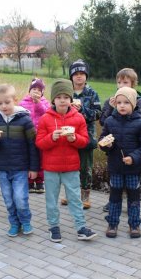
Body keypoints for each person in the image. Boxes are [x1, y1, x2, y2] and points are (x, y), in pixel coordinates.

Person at [36, 79, 97, 242]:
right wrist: (51, 137)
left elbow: (84, 141)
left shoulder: (78, 118)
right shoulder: (45, 119)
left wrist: (74, 138)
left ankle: (81, 227)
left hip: (71, 168)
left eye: (66, 97)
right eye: (59, 97)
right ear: (53, 100)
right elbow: (39, 142)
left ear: (71, 99)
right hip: (51, 168)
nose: (62, 100)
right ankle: (54, 227)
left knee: (75, 199)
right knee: (51, 200)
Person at [99, 87, 141, 238]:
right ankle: (113, 223)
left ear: (134, 104)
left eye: (126, 102)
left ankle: (134, 224)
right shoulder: (110, 121)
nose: (122, 106)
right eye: (119, 102)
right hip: (115, 167)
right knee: (114, 197)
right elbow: (102, 140)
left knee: (133, 197)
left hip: (133, 169)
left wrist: (134, 158)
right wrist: (106, 145)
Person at [0, 84, 39, 236]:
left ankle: (25, 221)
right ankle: (14, 223)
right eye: (0, 103)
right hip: (3, 168)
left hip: (21, 168)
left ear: (15, 100)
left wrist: (34, 168)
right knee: (9, 200)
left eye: (7, 102)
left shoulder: (25, 121)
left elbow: (32, 146)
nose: (3, 106)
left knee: (20, 199)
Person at [99, 68, 141, 213]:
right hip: (115, 150)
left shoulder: (139, 101)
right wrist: (112, 108)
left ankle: (132, 204)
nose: (121, 85)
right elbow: (104, 121)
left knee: (132, 182)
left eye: (125, 82)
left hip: (132, 148)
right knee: (116, 180)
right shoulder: (112, 101)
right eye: (119, 82)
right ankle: (114, 201)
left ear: (133, 84)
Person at [60, 60, 101, 209]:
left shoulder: (92, 93)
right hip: (67, 135)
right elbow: (57, 110)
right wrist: (67, 108)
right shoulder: (66, 92)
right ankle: (70, 193)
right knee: (69, 166)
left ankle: (85, 196)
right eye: (76, 74)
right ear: (71, 76)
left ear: (86, 76)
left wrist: (82, 109)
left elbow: (98, 114)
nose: (79, 77)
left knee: (85, 167)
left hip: (86, 137)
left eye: (82, 74)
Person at [19, 78, 50, 193]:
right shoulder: (23, 102)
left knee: (41, 158)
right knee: (29, 157)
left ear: (42, 92)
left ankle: (40, 181)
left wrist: (38, 103)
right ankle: (30, 182)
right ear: (29, 91)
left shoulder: (44, 102)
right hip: (27, 136)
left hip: (41, 135)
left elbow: (47, 113)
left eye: (39, 89)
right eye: (34, 89)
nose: (36, 91)